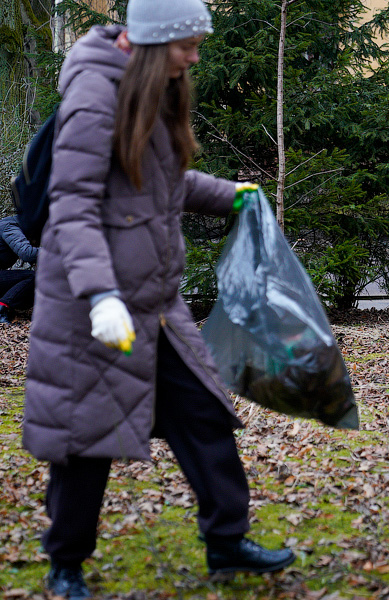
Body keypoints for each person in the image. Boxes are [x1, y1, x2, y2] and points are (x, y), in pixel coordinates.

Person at [21, 1, 294, 598]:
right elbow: (73, 205)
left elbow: (163, 183)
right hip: (92, 309)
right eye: (186, 45)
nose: (195, 57)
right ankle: (65, 563)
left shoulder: (158, 89)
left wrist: (233, 195)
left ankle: (226, 541)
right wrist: (100, 297)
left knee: (204, 416)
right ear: (151, 44)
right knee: (85, 441)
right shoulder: (95, 97)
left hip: (157, 307)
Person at [0, 215, 39, 323]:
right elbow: (27, 253)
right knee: (33, 277)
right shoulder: (9, 226)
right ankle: (1, 308)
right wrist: (56, 251)